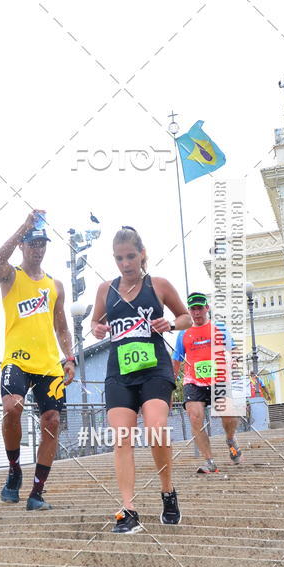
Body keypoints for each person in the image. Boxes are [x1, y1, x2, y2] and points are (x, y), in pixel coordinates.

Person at [92, 227, 191, 534]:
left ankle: (167, 491)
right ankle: (129, 509)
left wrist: (170, 324)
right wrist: (97, 328)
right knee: (122, 438)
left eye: (131, 256)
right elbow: (95, 322)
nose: (125, 264)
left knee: (156, 429)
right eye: (119, 258)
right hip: (119, 373)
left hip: (155, 370)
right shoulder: (105, 289)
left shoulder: (158, 285)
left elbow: (186, 317)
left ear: (142, 254)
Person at [0, 209, 75, 510]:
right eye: (32, 243)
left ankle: (37, 492)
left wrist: (69, 357)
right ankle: (14, 469)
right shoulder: (11, 276)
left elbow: (62, 327)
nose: (38, 249)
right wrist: (22, 226)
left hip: (49, 364)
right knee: (12, 407)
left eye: (42, 244)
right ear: (22, 246)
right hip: (17, 358)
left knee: (52, 421)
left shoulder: (55, 286)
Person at [172, 292, 242, 472]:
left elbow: (234, 350)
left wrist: (235, 361)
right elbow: (176, 361)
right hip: (193, 381)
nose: (197, 312)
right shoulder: (183, 334)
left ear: (207, 308)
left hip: (219, 379)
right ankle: (209, 461)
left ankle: (230, 439)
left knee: (229, 414)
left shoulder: (219, 328)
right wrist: (170, 385)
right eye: (193, 309)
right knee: (195, 418)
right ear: (189, 311)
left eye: (200, 308)